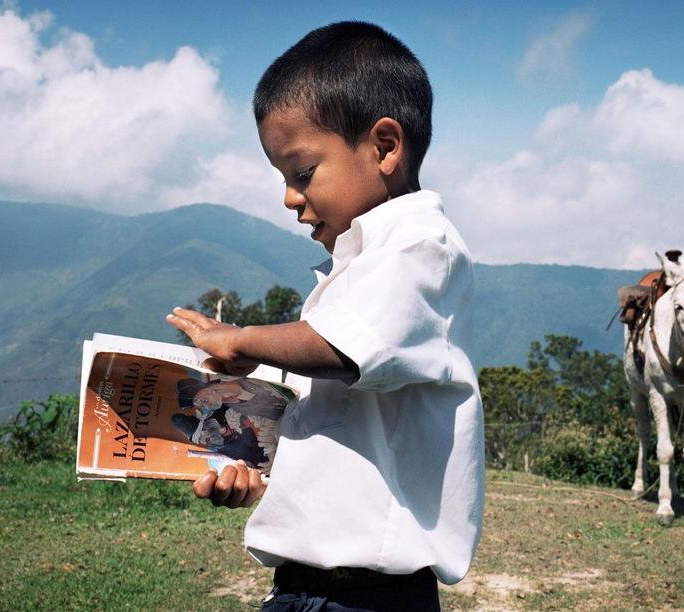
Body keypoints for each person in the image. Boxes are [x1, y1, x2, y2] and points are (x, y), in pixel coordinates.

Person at [166, 21, 484, 611]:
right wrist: (250, 470)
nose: (289, 197)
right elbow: (318, 423)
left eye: (303, 173)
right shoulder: (354, 271)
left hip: (372, 599)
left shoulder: (423, 249)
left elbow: (345, 349)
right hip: (298, 587)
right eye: (284, 179)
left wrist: (242, 339)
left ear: (385, 147)